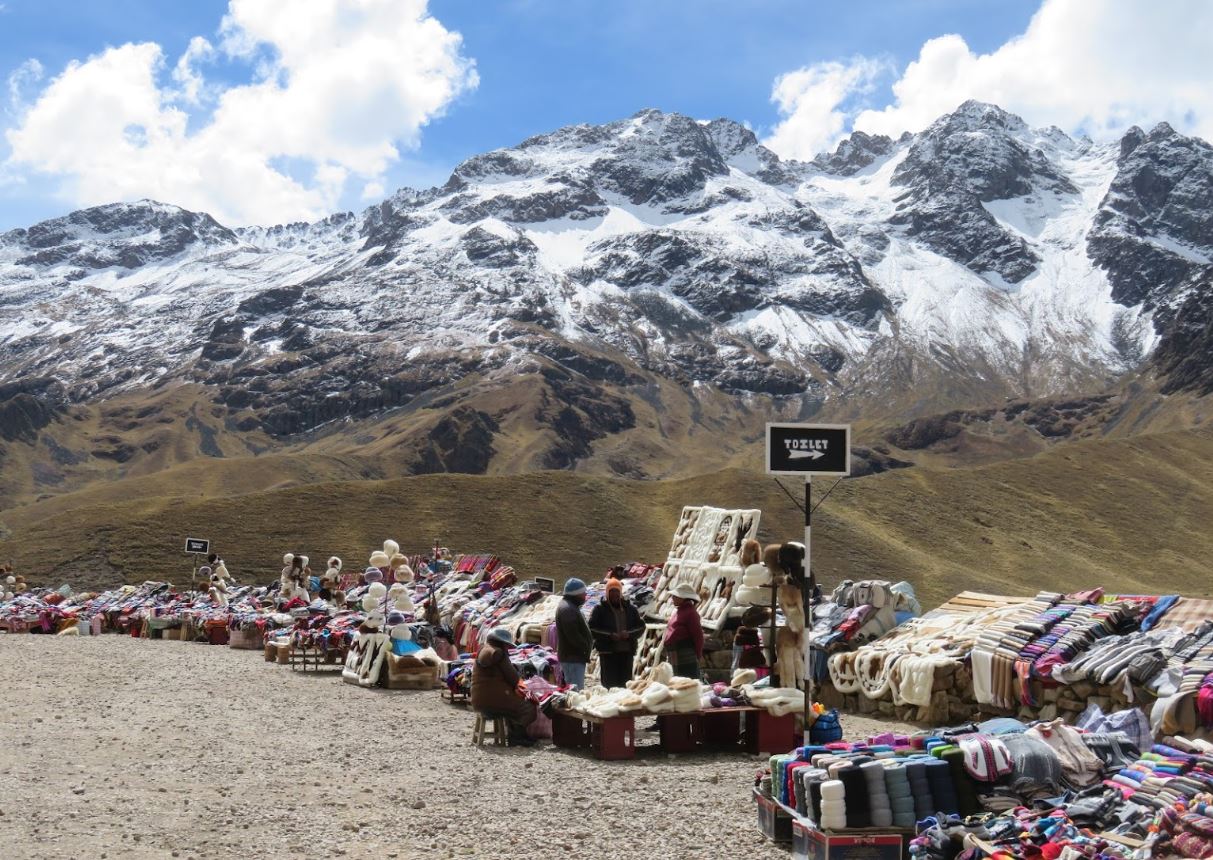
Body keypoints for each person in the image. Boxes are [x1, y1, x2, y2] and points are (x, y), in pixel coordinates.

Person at [470, 627, 536, 746]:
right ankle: (517, 737)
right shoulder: (498, 653)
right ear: (501, 643)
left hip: (478, 699)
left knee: (512, 701)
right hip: (492, 700)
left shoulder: (484, 649)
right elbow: (513, 678)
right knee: (528, 707)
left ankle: (516, 734)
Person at [589, 578, 644, 689]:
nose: (614, 594)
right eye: (611, 591)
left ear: (620, 592)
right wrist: (609, 635)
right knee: (610, 685)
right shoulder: (599, 609)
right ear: (607, 593)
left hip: (626, 653)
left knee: (625, 685)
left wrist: (629, 634)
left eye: (616, 591)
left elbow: (641, 627)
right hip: (608, 653)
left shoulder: (630, 609)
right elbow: (591, 629)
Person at [555, 578, 593, 690]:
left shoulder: (570, 606)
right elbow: (573, 636)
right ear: (576, 594)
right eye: (583, 593)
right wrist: (585, 647)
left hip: (573, 657)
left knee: (574, 689)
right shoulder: (568, 609)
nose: (585, 595)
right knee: (575, 691)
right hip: (572, 658)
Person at [664, 583, 704, 679]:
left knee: (686, 681)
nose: (672, 598)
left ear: (683, 598)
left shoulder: (691, 613)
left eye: (675, 596)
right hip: (675, 653)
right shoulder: (679, 611)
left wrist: (698, 654)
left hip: (684, 654)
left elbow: (698, 636)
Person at [733, 606, 770, 679]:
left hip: (756, 672)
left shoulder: (742, 636)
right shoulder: (743, 635)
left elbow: (736, 659)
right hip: (758, 671)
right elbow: (736, 659)